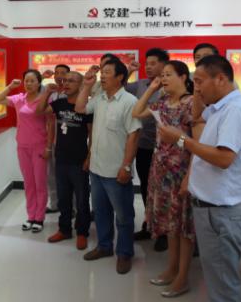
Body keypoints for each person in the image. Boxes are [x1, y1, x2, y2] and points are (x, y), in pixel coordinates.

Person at [158, 55, 241, 302]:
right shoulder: (220, 107)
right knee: (216, 279)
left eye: (200, 81)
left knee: (224, 285)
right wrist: (199, 95)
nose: (196, 88)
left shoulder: (234, 110)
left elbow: (224, 158)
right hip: (210, 209)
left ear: (220, 79)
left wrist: (181, 139)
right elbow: (198, 116)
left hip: (220, 212)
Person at [132, 61, 200, 298]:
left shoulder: (191, 103)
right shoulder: (162, 102)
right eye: (162, 75)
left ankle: (183, 276)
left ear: (183, 77)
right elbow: (137, 112)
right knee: (171, 224)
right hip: (161, 170)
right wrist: (151, 88)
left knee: (184, 227)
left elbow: (198, 145)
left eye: (169, 75)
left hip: (182, 171)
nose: (164, 79)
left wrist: (189, 177)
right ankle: (171, 269)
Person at [76, 57, 142, 275]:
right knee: (101, 213)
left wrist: (126, 167)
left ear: (120, 77)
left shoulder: (129, 101)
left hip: (116, 171)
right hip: (96, 169)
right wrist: (87, 85)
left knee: (124, 216)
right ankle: (104, 246)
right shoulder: (100, 98)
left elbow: (134, 135)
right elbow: (80, 108)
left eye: (107, 73)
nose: (102, 76)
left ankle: (124, 253)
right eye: (101, 72)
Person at [36, 71, 93, 250]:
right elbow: (39, 112)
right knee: (63, 198)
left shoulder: (87, 106)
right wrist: (46, 93)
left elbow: (92, 134)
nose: (66, 83)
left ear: (81, 85)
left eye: (72, 81)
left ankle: (82, 232)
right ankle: (64, 229)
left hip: (79, 159)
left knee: (82, 199)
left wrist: (89, 157)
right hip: (61, 158)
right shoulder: (59, 103)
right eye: (65, 81)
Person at [0, 69, 52, 233]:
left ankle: (39, 217)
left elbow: (50, 124)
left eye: (32, 81)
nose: (29, 83)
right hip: (22, 146)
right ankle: (31, 216)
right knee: (28, 183)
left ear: (39, 83)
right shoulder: (19, 99)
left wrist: (49, 147)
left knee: (40, 183)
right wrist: (10, 86)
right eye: (26, 80)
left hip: (39, 146)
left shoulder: (43, 100)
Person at [126, 48, 170, 252]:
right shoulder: (142, 84)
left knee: (164, 190)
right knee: (146, 188)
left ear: (164, 64)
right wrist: (129, 71)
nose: (148, 67)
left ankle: (165, 232)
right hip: (144, 146)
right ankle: (149, 224)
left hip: (166, 149)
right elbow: (120, 88)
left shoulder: (170, 84)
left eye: (153, 63)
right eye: (147, 63)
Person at [45, 64, 71, 213]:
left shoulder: (73, 93)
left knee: (69, 175)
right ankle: (54, 204)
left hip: (68, 140)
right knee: (52, 174)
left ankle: (72, 207)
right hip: (52, 138)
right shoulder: (50, 93)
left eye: (63, 73)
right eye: (57, 73)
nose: (59, 76)